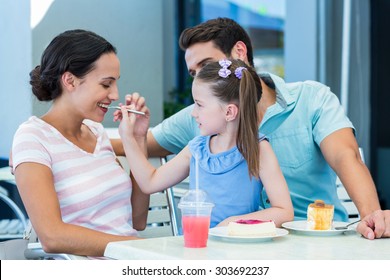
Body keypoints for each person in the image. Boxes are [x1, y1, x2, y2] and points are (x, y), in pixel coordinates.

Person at [114, 17, 389, 239]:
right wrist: (97, 134)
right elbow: (143, 146)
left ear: (239, 52)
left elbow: (345, 156)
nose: (200, 78)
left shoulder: (310, 98)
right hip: (236, 247)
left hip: (311, 239)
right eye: (194, 74)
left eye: (206, 66)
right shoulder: (200, 117)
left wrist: (372, 218)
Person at [11, 29, 150, 258]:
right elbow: (52, 236)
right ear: (70, 81)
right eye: (106, 84)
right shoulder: (32, 138)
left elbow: (137, 219)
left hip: (130, 260)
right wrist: (135, 248)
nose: (115, 94)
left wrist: (137, 139)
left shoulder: (97, 132)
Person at [117, 59, 294, 228]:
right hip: (195, 248)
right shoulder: (197, 148)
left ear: (229, 112)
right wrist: (129, 137)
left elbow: (284, 212)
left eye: (199, 105)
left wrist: (231, 223)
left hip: (237, 251)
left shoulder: (258, 149)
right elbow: (150, 182)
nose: (193, 113)